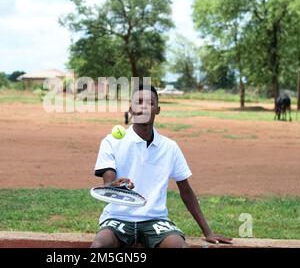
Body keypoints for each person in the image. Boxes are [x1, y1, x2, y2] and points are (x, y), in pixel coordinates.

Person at [91, 85, 233, 248]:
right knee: (100, 246)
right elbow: (108, 183)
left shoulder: (169, 147)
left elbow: (186, 191)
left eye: (150, 102)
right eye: (138, 102)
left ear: (157, 110)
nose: (143, 106)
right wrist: (114, 186)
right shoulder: (112, 142)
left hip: (155, 220)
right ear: (130, 109)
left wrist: (208, 232)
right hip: (118, 217)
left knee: (179, 246)